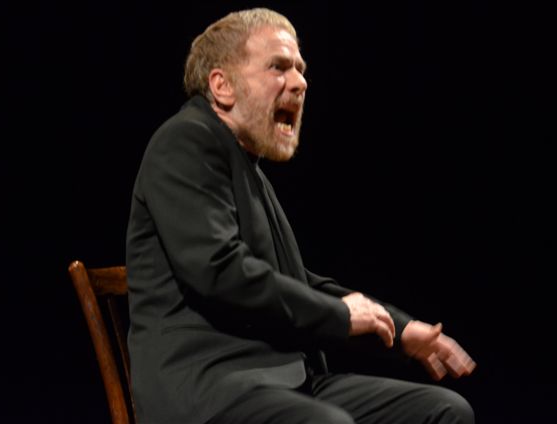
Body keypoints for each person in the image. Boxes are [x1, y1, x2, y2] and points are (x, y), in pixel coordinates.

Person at [126, 8, 476, 424]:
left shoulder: (246, 166)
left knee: (444, 412)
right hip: (209, 388)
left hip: (284, 381)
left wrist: (400, 330)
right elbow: (219, 271)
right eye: (278, 67)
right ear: (222, 85)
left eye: (300, 69)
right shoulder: (185, 141)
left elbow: (296, 281)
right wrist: (342, 318)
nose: (300, 82)